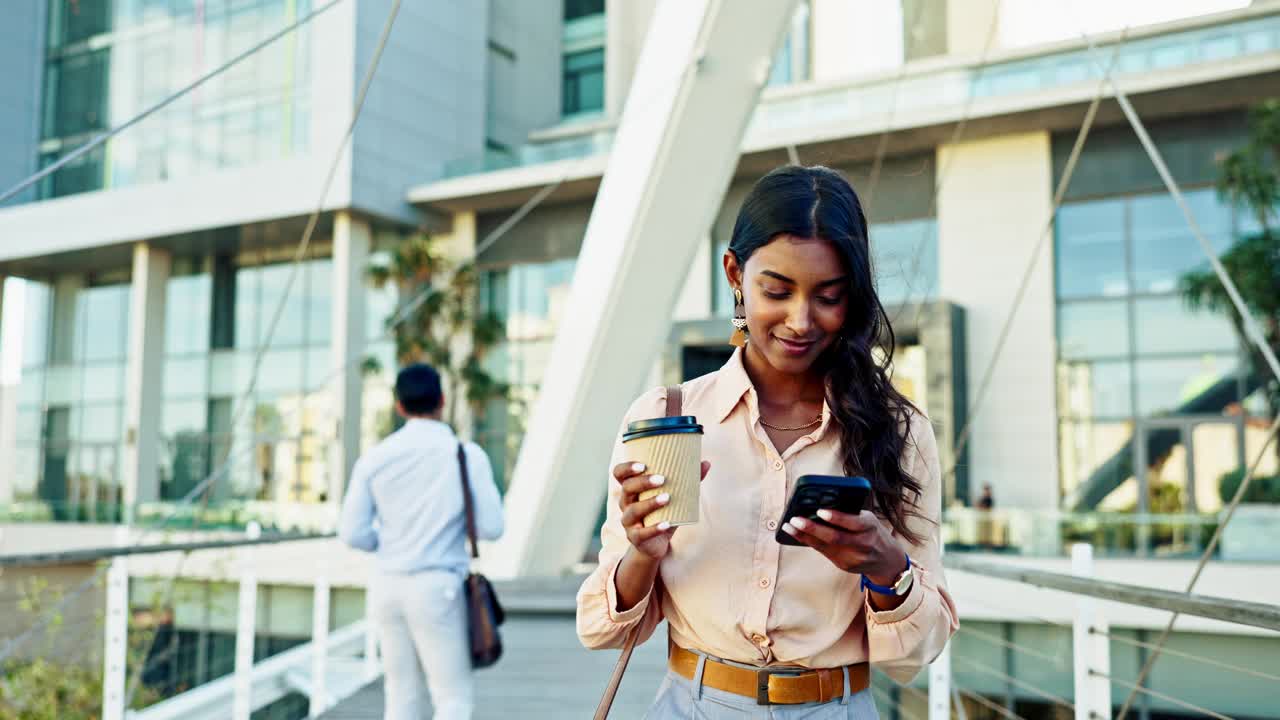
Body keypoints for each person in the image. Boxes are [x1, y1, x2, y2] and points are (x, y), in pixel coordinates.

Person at [577, 166, 959, 718]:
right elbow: (599, 630)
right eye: (776, 291)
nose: (800, 321)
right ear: (734, 272)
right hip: (693, 706)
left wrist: (885, 567)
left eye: (828, 296)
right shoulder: (668, 417)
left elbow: (914, 655)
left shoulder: (898, 431)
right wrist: (642, 552)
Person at [339, 363, 504, 720]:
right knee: (452, 698)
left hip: (387, 585)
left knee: (400, 697)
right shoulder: (465, 455)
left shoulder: (375, 458)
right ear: (442, 401)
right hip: (438, 586)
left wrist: (388, 542)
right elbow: (492, 527)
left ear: (399, 406)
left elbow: (352, 532)